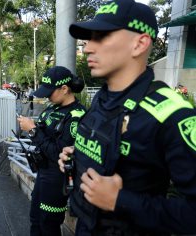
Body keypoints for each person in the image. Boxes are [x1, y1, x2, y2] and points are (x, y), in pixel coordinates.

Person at [58, 0, 196, 235]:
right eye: (88, 38)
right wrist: (77, 157)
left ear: (139, 43)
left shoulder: (172, 114)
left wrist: (120, 200)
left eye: (100, 36)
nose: (87, 48)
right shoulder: (102, 100)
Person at [18, 66, 86, 236]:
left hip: (57, 179)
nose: (47, 96)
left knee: (49, 225)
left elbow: (59, 153)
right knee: (35, 219)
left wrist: (33, 131)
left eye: (50, 92)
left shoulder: (77, 115)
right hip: (43, 174)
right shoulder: (52, 108)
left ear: (64, 89)